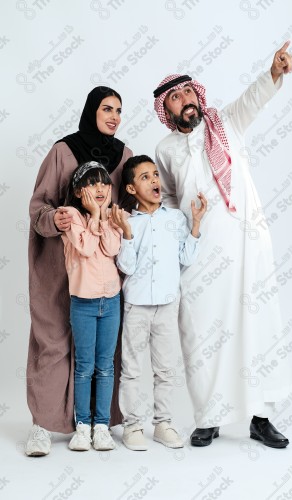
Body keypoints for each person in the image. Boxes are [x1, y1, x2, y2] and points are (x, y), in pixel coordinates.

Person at [153, 42, 292, 448]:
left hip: (247, 244)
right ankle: (209, 418)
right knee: (202, 333)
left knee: (257, 327)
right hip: (200, 254)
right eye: (175, 98)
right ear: (168, 109)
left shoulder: (226, 122)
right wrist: (181, 226)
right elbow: (164, 199)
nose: (185, 101)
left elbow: (254, 97)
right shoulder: (165, 150)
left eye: (188, 93)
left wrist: (273, 72)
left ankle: (260, 417)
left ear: (199, 95)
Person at [25, 86, 133, 457]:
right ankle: (42, 425)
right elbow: (38, 205)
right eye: (107, 108)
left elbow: (130, 205)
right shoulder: (63, 151)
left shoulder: (124, 156)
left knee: (106, 354)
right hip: (62, 264)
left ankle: (98, 422)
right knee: (52, 342)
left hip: (105, 271)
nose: (114, 116)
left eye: (119, 110)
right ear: (91, 111)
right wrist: (55, 218)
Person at [112, 155, 207, 450]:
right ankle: (132, 427)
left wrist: (196, 224)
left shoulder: (176, 218)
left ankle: (163, 423)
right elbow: (126, 267)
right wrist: (126, 234)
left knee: (166, 369)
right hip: (136, 306)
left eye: (155, 174)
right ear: (130, 189)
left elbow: (186, 258)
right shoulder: (128, 223)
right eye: (145, 177)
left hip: (167, 305)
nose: (154, 180)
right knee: (132, 369)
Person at [62, 161, 121, 451]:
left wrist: (103, 216)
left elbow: (111, 248)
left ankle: (102, 425)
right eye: (92, 183)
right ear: (77, 191)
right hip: (83, 302)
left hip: (110, 300)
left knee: (106, 366)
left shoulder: (113, 216)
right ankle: (82, 425)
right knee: (84, 367)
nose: (100, 188)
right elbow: (84, 248)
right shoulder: (70, 215)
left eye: (104, 183)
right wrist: (96, 215)